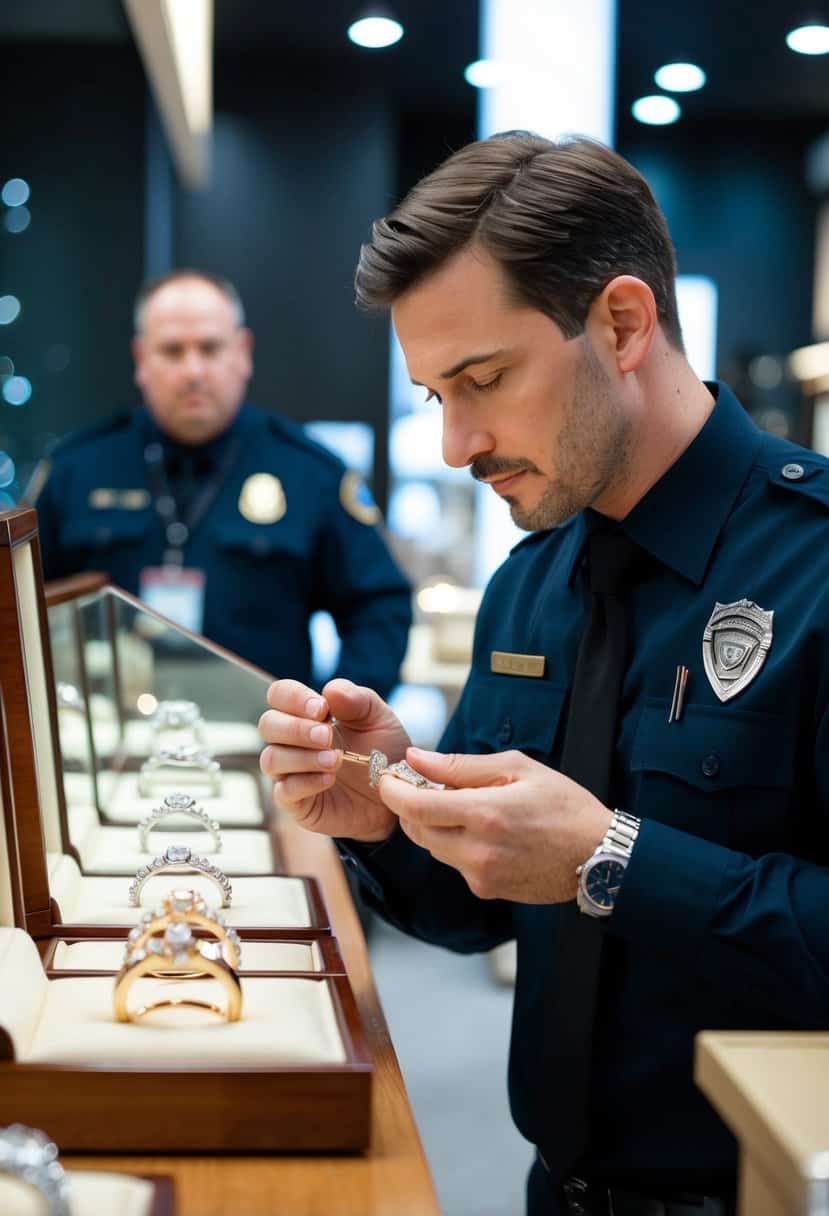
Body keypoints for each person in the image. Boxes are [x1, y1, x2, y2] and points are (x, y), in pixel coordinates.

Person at [258, 131, 829, 1216]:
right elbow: (484, 907)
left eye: (482, 379)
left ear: (621, 323)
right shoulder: (532, 580)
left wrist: (612, 858)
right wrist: (383, 808)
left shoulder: (816, 566)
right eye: (434, 395)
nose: (455, 445)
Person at [27, 270, 412, 696]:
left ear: (242, 353)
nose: (193, 370)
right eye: (172, 351)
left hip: (263, 749)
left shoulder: (310, 472)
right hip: (107, 742)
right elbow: (21, 607)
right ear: (141, 360)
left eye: (210, 348)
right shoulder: (77, 469)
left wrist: (332, 715)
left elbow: (380, 607)